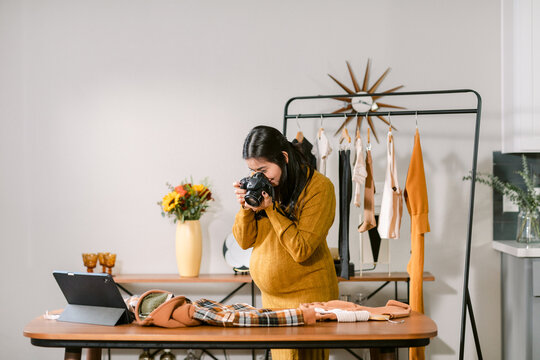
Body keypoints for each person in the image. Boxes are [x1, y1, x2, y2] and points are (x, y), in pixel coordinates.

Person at [232, 125, 338, 360]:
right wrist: (245, 208)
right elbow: (243, 240)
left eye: (262, 169)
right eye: (252, 170)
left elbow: (301, 249)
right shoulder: (264, 187)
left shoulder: (319, 188)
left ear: (284, 158)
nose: (257, 176)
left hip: (308, 298)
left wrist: (270, 210)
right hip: (272, 301)